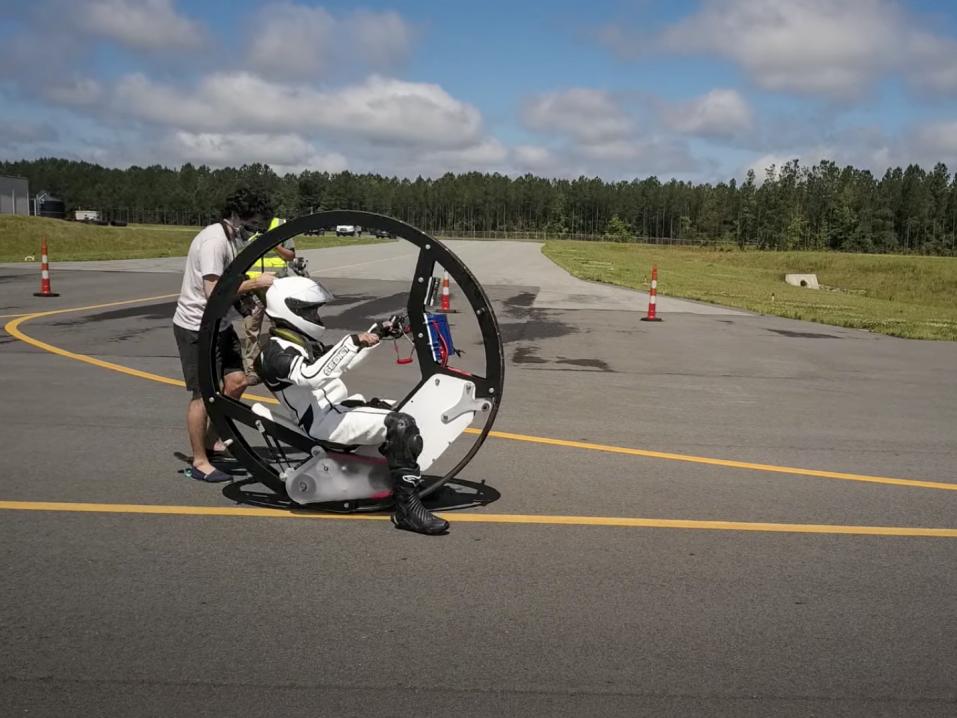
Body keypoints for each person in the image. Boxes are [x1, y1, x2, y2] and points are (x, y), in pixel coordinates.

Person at [255, 276, 449, 535]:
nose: (315, 316)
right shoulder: (274, 353)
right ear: (289, 309)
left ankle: (406, 487)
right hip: (325, 423)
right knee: (401, 425)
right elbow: (312, 375)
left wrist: (376, 333)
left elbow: (335, 363)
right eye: (309, 311)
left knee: (411, 409)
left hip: (337, 410)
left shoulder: (296, 341)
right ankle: (406, 510)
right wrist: (352, 342)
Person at [172, 188, 276, 483]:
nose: (255, 228)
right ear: (239, 214)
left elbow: (232, 282)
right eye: (254, 222)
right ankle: (200, 461)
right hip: (196, 327)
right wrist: (258, 281)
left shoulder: (231, 239)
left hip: (219, 323)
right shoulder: (215, 241)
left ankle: (212, 441)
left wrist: (249, 304)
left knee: (237, 381)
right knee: (203, 395)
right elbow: (213, 291)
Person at [237, 216, 296, 387]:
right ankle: (253, 369)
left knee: (282, 329)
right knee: (251, 329)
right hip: (253, 287)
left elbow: (290, 256)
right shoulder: (245, 227)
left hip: (276, 287)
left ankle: (283, 365)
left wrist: (274, 245)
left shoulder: (280, 225)